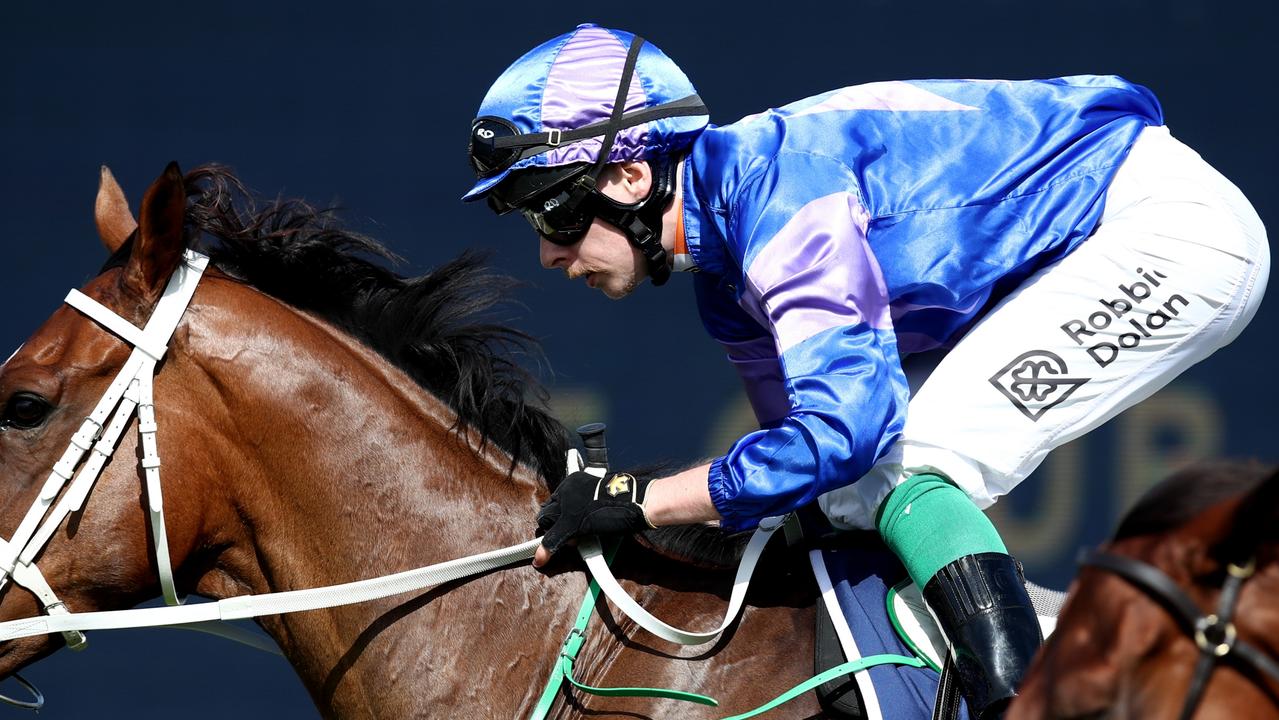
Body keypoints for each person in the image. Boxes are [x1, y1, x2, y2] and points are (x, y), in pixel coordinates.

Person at [463, 23, 1269, 719]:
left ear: (630, 177)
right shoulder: (724, 280)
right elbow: (806, 472)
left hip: (1168, 234)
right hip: (1090, 236)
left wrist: (638, 500)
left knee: (911, 463)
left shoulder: (777, 195)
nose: (548, 251)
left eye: (555, 209)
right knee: (852, 496)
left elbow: (841, 435)